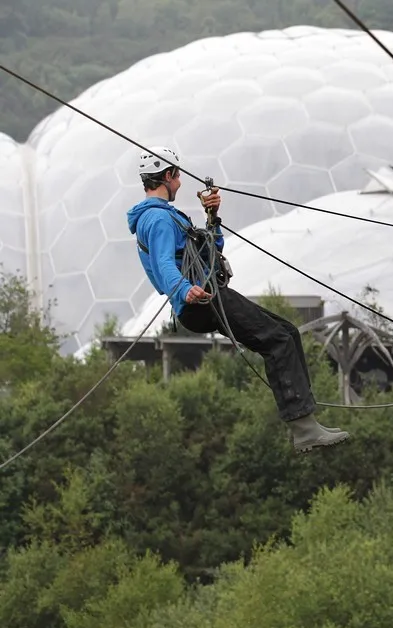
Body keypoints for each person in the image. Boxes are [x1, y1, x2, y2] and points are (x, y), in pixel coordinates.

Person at [126, 145, 350, 453]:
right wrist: (183, 288)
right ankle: (304, 429)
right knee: (277, 341)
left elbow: (207, 250)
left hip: (204, 296)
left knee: (288, 333)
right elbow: (165, 262)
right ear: (167, 176)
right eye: (177, 177)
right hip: (200, 299)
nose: (179, 183)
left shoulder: (163, 217)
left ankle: (307, 419)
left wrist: (211, 216)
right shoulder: (158, 219)